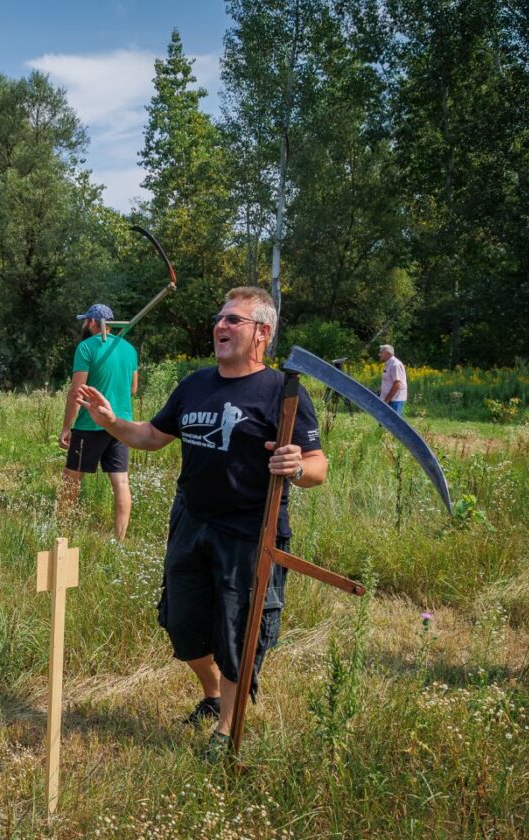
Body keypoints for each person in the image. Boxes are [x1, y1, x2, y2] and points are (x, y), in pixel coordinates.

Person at [75, 286, 326, 760]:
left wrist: (295, 464)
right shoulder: (194, 384)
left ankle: (227, 729)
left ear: (262, 334)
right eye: (220, 318)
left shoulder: (282, 392)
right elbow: (151, 435)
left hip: (248, 530)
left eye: (234, 320)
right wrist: (109, 422)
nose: (221, 326)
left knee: (237, 628)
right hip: (191, 520)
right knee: (182, 623)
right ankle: (214, 695)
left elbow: (317, 467)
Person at [58, 303, 139, 541]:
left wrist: (66, 427)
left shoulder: (85, 347)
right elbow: (133, 389)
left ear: (93, 322)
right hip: (120, 424)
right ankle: (120, 539)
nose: (84, 325)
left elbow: (77, 392)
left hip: (89, 424)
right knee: (121, 480)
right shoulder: (129, 349)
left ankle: (62, 533)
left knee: (71, 478)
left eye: (85, 321)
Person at [378, 344, 408, 416]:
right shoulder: (388, 363)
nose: (379, 354)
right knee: (384, 421)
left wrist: (387, 399)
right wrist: (380, 390)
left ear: (388, 353)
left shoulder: (395, 364)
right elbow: (389, 381)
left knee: (394, 422)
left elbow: (397, 384)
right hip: (388, 398)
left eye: (381, 352)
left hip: (395, 399)